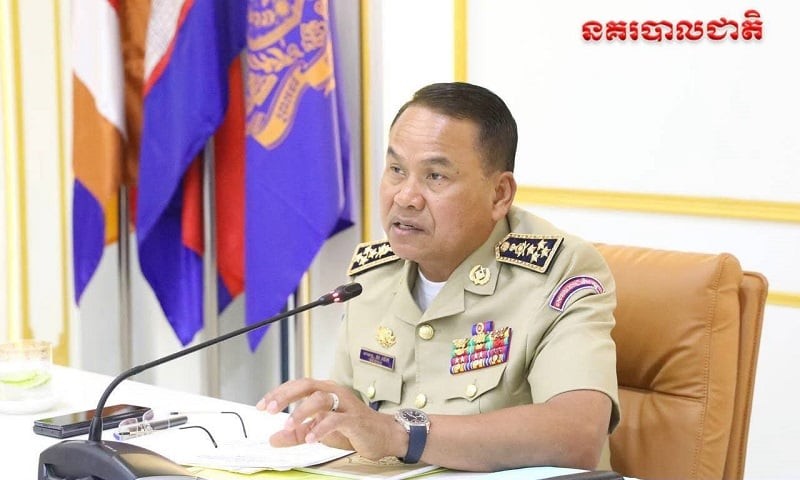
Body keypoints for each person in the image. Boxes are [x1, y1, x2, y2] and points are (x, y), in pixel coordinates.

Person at [256, 82, 619, 472]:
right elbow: (355, 420)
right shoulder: (371, 276)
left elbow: (577, 434)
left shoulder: (560, 272)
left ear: (499, 194)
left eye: (436, 177)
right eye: (396, 170)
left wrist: (399, 433)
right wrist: (323, 424)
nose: (405, 197)